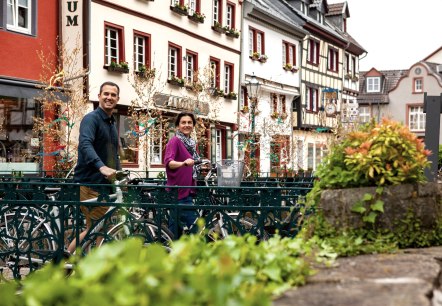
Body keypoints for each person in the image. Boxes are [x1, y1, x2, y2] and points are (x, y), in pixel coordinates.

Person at [67, 81, 121, 253]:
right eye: (106, 94)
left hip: (103, 184)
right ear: (99, 96)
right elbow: (85, 144)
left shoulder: (111, 122)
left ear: (117, 99)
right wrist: (101, 167)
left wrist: (119, 174)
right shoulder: (92, 119)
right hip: (91, 182)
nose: (109, 97)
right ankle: (65, 263)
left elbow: (113, 154)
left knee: (100, 228)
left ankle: (81, 265)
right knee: (96, 228)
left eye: (113, 95)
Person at [164, 112, 200, 235]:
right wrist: (183, 163)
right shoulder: (175, 141)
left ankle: (169, 250)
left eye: (189, 122)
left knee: (175, 231)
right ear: (178, 126)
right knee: (197, 228)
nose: (186, 125)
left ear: (193, 125)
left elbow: (192, 163)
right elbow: (169, 163)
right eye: (183, 122)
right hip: (178, 192)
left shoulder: (192, 143)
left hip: (187, 190)